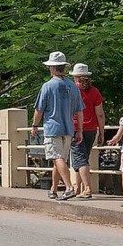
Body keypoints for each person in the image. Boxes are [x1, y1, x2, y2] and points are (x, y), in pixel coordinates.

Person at [30, 52, 84, 201]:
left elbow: (39, 110)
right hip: (68, 129)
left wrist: (34, 125)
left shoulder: (48, 86)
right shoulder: (73, 86)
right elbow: (80, 111)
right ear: (64, 67)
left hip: (53, 128)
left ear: (52, 68)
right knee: (59, 160)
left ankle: (69, 187)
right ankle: (53, 189)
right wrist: (80, 130)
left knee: (56, 157)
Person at [69, 63, 105, 198]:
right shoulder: (95, 92)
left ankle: (87, 188)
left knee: (80, 158)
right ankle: (77, 187)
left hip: (75, 128)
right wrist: (101, 132)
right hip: (91, 129)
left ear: (75, 77)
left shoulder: (71, 90)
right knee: (82, 158)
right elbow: (100, 114)